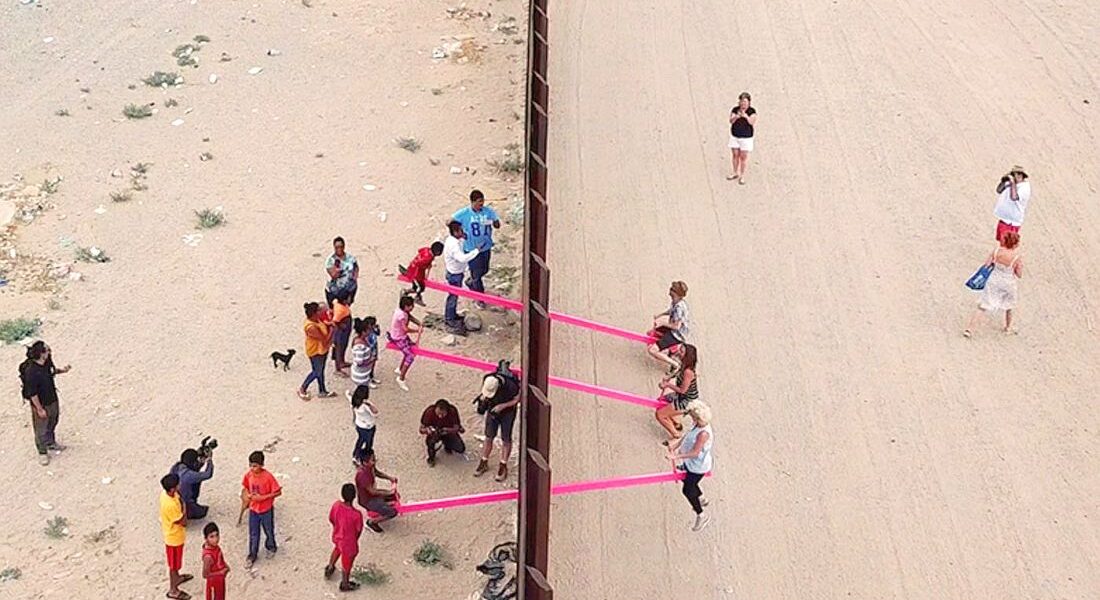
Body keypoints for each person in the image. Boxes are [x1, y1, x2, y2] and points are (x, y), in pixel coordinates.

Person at [18, 340, 71, 466]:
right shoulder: (31, 371)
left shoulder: (46, 362)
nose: (49, 351)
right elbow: (32, 393)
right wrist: (39, 409)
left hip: (52, 398)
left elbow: (51, 371)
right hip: (41, 403)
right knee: (41, 428)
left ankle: (50, 442)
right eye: (47, 350)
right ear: (41, 354)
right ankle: (42, 452)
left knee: (53, 420)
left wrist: (62, 370)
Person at [964, 231, 1024, 338]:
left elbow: (987, 264)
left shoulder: (996, 251)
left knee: (983, 306)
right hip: (1008, 282)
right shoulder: (1016, 257)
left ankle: (969, 329)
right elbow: (1019, 274)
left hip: (994, 280)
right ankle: (1008, 327)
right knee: (1009, 306)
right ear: (1015, 244)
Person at [667, 400, 714, 532]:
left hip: (697, 467)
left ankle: (701, 514)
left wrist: (676, 457)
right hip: (691, 464)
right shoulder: (697, 426)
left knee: (687, 490)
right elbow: (687, 436)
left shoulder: (703, 434)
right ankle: (701, 497)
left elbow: (695, 453)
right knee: (690, 483)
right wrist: (675, 445)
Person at [473, 366, 520, 482]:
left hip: (507, 412)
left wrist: (503, 406)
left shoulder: (510, 386)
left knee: (506, 439)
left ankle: (503, 464)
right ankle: (484, 461)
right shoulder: (488, 379)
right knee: (488, 436)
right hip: (492, 410)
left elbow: (517, 399)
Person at [452, 190, 500, 298]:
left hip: (485, 246)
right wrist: (460, 234)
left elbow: (497, 224)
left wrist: (493, 222)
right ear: (472, 202)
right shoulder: (464, 213)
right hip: (471, 248)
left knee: (485, 270)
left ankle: (471, 282)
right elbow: (450, 221)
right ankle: (480, 297)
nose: (481, 204)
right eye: (479, 202)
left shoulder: (488, 212)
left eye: (482, 202)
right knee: (477, 275)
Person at [241, 451, 282, 569]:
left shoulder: (268, 477)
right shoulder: (249, 475)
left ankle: (271, 547)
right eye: (251, 465)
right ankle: (252, 554)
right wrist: (249, 495)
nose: (252, 468)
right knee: (253, 533)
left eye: (255, 465)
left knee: (268, 530)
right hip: (254, 510)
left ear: (261, 465)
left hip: (266, 510)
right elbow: (246, 487)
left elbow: (278, 492)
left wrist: (263, 498)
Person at [443, 219, 482, 334]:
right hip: (455, 274)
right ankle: (449, 318)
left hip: (456, 272)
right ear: (455, 232)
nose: (463, 232)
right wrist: (476, 251)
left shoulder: (452, 239)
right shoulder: (453, 245)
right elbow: (462, 258)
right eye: (461, 231)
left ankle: (452, 315)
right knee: (453, 297)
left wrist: (463, 237)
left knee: (454, 296)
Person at [655, 344, 699, 442]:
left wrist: (668, 385)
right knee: (661, 402)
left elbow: (683, 390)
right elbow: (677, 372)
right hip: (682, 396)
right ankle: (676, 422)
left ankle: (675, 434)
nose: (679, 352)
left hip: (687, 400)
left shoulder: (688, 372)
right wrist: (668, 377)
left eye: (682, 351)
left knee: (659, 414)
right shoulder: (683, 365)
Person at [159, 473, 193, 600]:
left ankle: (177, 578)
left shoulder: (166, 494)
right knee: (173, 566)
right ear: (173, 488)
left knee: (176, 564)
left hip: (175, 535)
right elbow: (183, 521)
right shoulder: (171, 505)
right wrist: (184, 508)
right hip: (174, 538)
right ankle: (173, 590)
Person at [325, 483, 364, 592]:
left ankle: (330, 567)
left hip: (338, 536)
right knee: (347, 564)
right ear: (354, 496)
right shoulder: (357, 515)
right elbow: (358, 531)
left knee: (337, 549)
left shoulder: (336, 505)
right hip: (349, 543)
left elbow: (331, 519)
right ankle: (345, 584)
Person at [647, 281, 691, 372]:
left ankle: (675, 364)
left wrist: (663, 324)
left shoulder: (679, 308)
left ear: (676, 293)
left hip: (677, 335)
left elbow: (676, 326)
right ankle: (672, 349)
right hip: (674, 330)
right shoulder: (677, 302)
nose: (669, 290)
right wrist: (659, 315)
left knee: (652, 350)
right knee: (652, 333)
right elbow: (670, 311)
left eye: (672, 289)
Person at [354, 450, 399, 533]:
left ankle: (383, 506)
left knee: (394, 496)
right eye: (372, 460)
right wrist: (389, 492)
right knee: (393, 512)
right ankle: (371, 522)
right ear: (365, 462)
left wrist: (390, 478)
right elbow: (373, 491)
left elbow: (377, 472)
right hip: (368, 500)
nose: (375, 461)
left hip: (372, 496)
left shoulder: (370, 467)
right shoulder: (362, 475)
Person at [299, 301, 335, 400]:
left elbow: (323, 324)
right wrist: (332, 330)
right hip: (315, 350)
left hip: (321, 349)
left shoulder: (316, 320)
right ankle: (303, 388)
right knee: (317, 371)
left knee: (320, 370)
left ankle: (322, 390)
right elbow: (324, 339)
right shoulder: (311, 327)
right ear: (314, 313)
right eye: (318, 311)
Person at [387, 295, 421, 392]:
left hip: (401, 336)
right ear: (406, 306)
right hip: (398, 338)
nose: (412, 307)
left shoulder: (401, 311)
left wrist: (419, 323)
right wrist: (416, 330)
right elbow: (405, 329)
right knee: (410, 356)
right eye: (411, 306)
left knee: (410, 350)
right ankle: (401, 378)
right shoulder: (401, 316)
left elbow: (410, 317)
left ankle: (400, 369)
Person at [420, 399, 466, 466]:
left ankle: (447, 445)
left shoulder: (452, 411)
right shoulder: (429, 412)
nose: (440, 416)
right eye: (438, 413)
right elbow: (421, 429)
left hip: (448, 432)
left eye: (443, 414)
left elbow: (456, 427)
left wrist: (447, 430)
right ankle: (431, 457)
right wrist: (427, 430)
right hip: (434, 433)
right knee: (430, 442)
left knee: (460, 448)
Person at [171, 448, 215, 519]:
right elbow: (207, 474)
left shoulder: (176, 467)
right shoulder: (188, 475)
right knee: (202, 513)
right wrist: (209, 459)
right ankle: (189, 512)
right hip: (184, 501)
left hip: (174, 498)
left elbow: (194, 468)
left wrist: (201, 460)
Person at [993, 166, 1032, 242]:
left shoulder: (1025, 187)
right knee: (1001, 242)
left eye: (1017, 174)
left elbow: (1014, 197)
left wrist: (1013, 183)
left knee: (1008, 245)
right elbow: (999, 190)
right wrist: (1003, 181)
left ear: (1021, 175)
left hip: (1012, 222)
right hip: (1004, 219)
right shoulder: (1010, 183)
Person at [401, 241, 445, 307]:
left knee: (418, 286)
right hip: (416, 272)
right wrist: (427, 265)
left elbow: (420, 250)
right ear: (438, 252)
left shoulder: (427, 250)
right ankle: (408, 293)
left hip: (414, 268)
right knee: (420, 287)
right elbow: (419, 263)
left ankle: (415, 296)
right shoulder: (428, 257)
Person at [727, 92, 757, 184]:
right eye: (741, 101)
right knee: (735, 154)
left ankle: (742, 175)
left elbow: (752, 122)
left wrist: (745, 116)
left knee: (743, 157)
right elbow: (731, 121)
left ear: (749, 102)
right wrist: (736, 116)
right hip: (735, 136)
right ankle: (735, 172)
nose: (743, 104)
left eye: (745, 102)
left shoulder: (752, 111)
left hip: (746, 137)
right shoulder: (735, 110)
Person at [324, 236, 360, 306]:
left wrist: (353, 279)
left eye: (341, 246)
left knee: (346, 310)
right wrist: (337, 268)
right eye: (337, 247)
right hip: (334, 291)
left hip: (348, 289)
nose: (339, 249)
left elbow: (356, 268)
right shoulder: (330, 260)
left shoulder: (351, 258)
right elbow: (333, 275)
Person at [349, 385, 378, 465]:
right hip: (369, 426)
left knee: (360, 440)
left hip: (359, 425)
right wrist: (369, 404)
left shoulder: (353, 401)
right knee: (369, 443)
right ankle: (365, 456)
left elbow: (347, 394)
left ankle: (356, 455)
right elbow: (375, 412)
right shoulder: (365, 406)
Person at [350, 316, 381, 392]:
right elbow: (359, 362)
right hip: (360, 376)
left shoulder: (363, 339)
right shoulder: (359, 346)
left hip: (363, 374)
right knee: (361, 393)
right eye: (368, 330)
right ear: (363, 332)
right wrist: (371, 360)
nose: (370, 331)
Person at [201, 522, 230, 600]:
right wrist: (220, 573)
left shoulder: (215, 547)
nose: (216, 539)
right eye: (212, 537)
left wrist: (225, 565)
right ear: (206, 538)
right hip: (214, 583)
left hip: (220, 580)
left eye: (217, 535)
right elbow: (205, 575)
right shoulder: (208, 557)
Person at [330, 292, 353, 377]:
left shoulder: (337, 303)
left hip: (345, 330)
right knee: (338, 348)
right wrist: (340, 325)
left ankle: (342, 362)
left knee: (344, 346)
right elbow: (335, 321)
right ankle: (338, 368)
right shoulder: (341, 310)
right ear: (344, 300)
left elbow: (333, 303)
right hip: (340, 332)